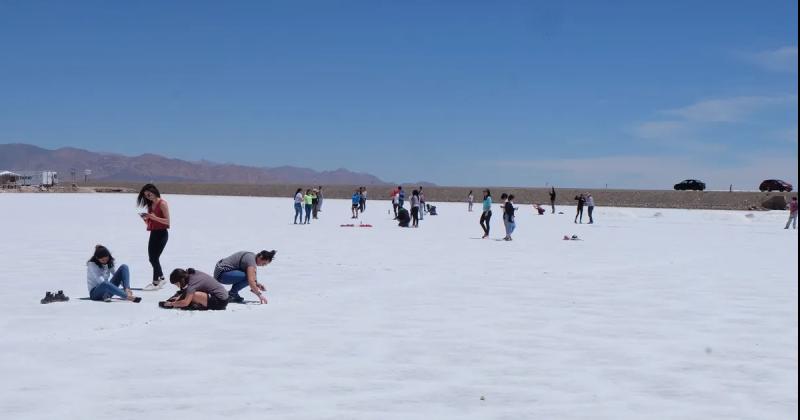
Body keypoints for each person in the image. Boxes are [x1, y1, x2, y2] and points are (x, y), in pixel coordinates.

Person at [137, 184, 170, 290]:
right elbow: (151, 223)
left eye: (149, 194)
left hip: (162, 233)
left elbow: (167, 221)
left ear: (154, 192)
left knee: (154, 258)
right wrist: (146, 219)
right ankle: (158, 281)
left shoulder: (162, 203)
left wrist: (153, 217)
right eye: (146, 196)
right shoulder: (150, 206)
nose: (148, 197)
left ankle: (158, 281)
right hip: (153, 233)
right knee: (152, 258)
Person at [161, 268, 229, 310]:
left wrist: (171, 304)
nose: (177, 286)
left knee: (193, 295)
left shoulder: (192, 284)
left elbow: (185, 303)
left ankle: (197, 305)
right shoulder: (192, 273)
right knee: (188, 294)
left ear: (181, 280)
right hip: (224, 296)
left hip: (220, 301)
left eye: (176, 284)